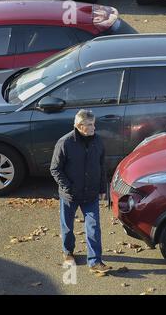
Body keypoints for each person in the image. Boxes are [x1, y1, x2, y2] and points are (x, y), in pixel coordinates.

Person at [50, 109, 111, 274]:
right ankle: (68, 251)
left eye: (94, 124)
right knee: (68, 227)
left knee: (94, 227)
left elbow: (101, 166)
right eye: (89, 124)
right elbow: (55, 169)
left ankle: (95, 262)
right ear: (79, 125)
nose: (93, 127)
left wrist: (101, 188)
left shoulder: (97, 141)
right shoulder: (65, 142)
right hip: (70, 195)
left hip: (90, 194)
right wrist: (68, 187)